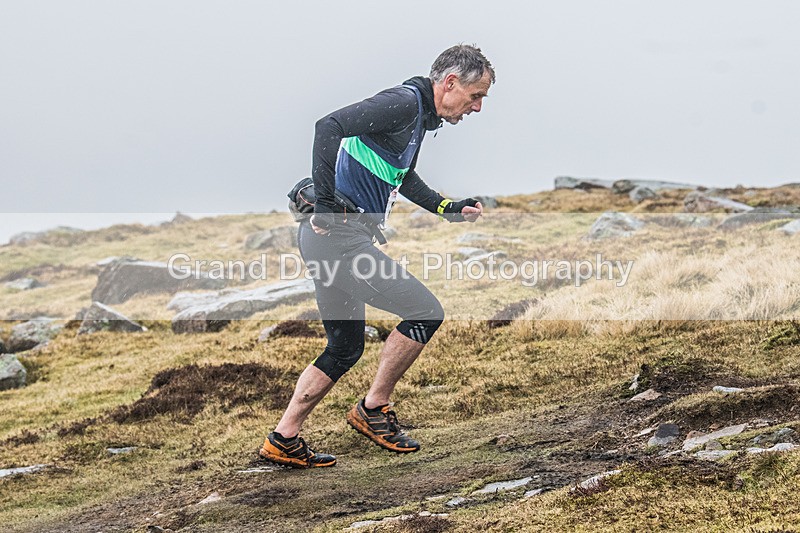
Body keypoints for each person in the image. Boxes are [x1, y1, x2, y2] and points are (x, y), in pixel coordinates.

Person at [259, 44, 495, 468]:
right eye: (476, 96)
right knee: (425, 312)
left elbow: (402, 178)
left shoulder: (418, 119)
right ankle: (373, 409)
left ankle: (284, 437)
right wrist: (328, 203)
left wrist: (448, 208)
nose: (477, 108)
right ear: (450, 83)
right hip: (339, 238)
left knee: (344, 347)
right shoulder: (403, 103)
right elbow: (327, 125)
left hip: (330, 240)